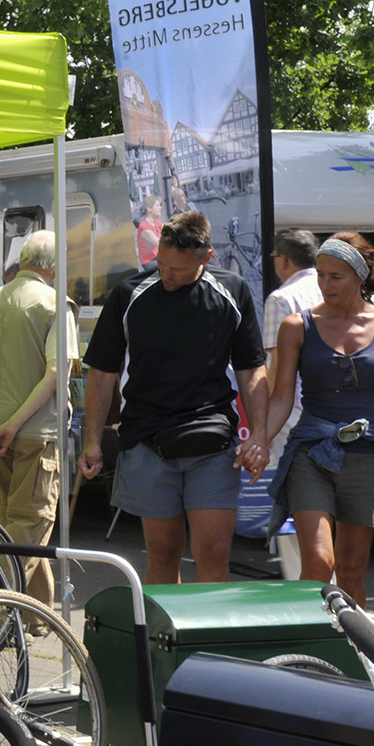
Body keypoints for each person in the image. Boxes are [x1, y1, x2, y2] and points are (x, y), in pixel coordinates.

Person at [79, 210, 267, 585]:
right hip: (147, 441)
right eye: (161, 263)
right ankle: (164, 641)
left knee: (213, 555)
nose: (167, 274)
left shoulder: (232, 291)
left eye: (178, 269)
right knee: (163, 555)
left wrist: (260, 436)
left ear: (206, 258)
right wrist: (92, 441)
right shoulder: (130, 292)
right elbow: (102, 372)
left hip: (212, 444)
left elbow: (252, 369)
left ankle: (206, 642)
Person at [261, 233, 374, 606]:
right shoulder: (296, 326)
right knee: (320, 561)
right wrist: (259, 440)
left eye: (335, 276)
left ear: (359, 275)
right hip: (311, 451)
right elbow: (282, 396)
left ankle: (355, 654)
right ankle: (306, 648)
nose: (325, 284)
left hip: (366, 454)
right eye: (320, 274)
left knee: (352, 570)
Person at [0, 231, 78, 606]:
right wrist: (14, 425)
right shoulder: (56, 305)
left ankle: (35, 618)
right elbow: (55, 375)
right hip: (34, 432)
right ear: (51, 265)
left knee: (15, 523)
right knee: (28, 528)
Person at [260, 229, 323, 468]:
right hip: (329, 406)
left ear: (284, 259)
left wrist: (265, 423)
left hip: (292, 409)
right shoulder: (330, 292)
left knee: (294, 481)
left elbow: (277, 364)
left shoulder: (281, 299)